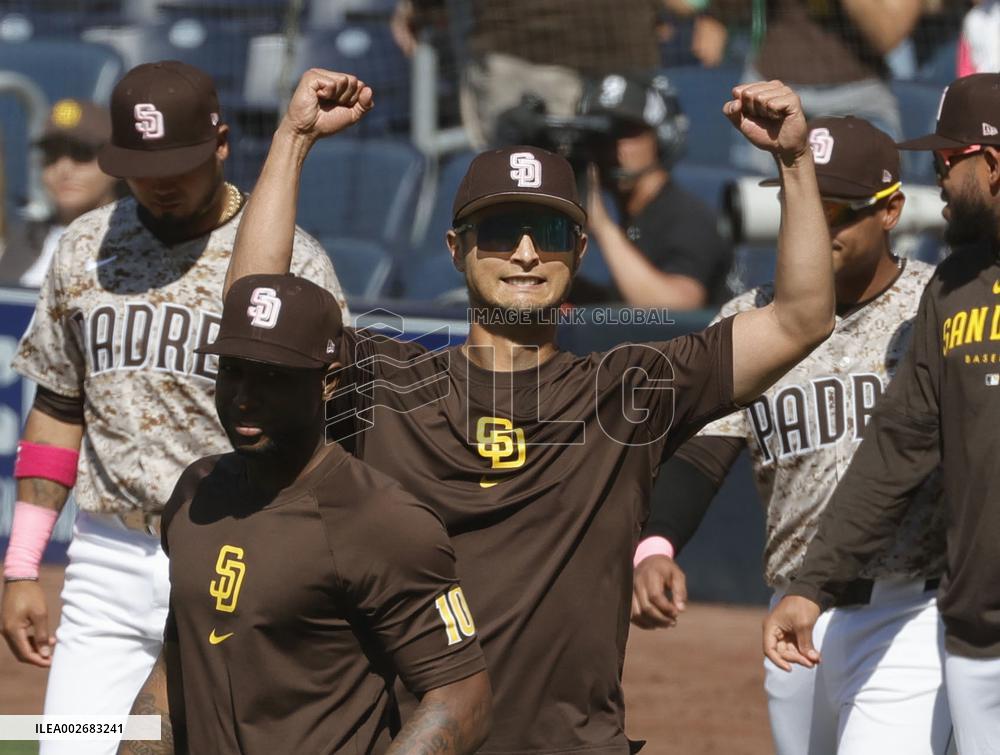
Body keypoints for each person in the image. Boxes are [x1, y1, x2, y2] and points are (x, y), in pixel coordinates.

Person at [224, 68, 835, 753]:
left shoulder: (625, 394)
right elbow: (255, 309)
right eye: (499, 231)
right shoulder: (384, 382)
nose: (524, 253)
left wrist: (794, 161)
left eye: (547, 231)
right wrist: (294, 139)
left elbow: (802, 318)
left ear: (579, 250)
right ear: (456, 249)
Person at [0, 61, 344, 755]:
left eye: (177, 164)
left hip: (237, 549)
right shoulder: (83, 248)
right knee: (73, 744)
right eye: (140, 167)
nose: (159, 183)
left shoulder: (291, 259)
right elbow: (59, 406)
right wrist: (23, 564)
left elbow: (335, 425)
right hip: (107, 559)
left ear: (221, 144)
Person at [631, 116, 951, 754]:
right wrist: (656, 546)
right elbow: (704, 453)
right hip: (790, 613)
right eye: (800, 203)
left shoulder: (938, 305)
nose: (814, 225)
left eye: (835, 210)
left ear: (889, 211)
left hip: (909, 610)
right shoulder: (752, 319)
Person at [119, 273, 491, 754]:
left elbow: (462, 698)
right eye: (233, 370)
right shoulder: (197, 493)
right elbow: (177, 662)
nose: (244, 396)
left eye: (273, 377)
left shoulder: (382, 520)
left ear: (328, 382)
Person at [763, 73, 1000, 755]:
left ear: (991, 162)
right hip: (979, 635)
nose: (938, 182)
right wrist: (813, 584)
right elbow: (896, 450)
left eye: (946, 160)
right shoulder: (954, 288)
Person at [573, 72, 733, 308]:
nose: (612, 147)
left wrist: (602, 226)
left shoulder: (688, 217)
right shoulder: (633, 216)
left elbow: (678, 310)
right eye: (601, 135)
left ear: (662, 137)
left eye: (626, 131)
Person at [709, 0, 922, 174]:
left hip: (860, 99)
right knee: (756, 203)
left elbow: (888, 34)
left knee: (874, 197)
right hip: (770, 94)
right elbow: (726, 10)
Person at [0, 98, 121, 287]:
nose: (63, 169)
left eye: (82, 153)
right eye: (52, 155)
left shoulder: (142, 243)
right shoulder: (17, 241)